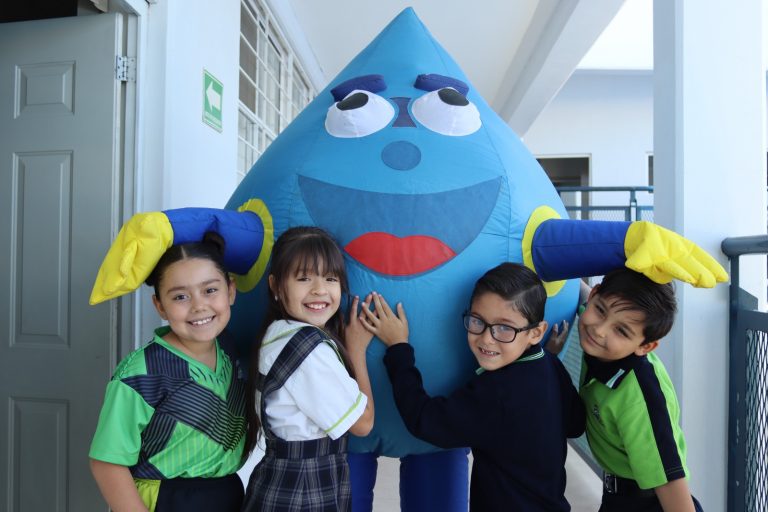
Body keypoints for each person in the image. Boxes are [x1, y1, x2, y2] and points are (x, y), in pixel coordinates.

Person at [360, 262, 585, 511]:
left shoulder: (496, 393)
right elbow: (575, 424)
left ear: (535, 332)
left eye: (504, 328)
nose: (487, 338)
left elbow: (424, 420)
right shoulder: (549, 366)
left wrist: (398, 347)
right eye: (477, 321)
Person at [89, 233, 246, 511]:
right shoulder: (141, 374)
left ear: (230, 291)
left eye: (210, 290)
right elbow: (107, 462)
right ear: (160, 305)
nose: (199, 306)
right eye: (180, 296)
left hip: (228, 494)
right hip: (164, 500)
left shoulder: (230, 349)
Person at [240, 226, 375, 511]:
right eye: (303, 278)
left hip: (279, 482)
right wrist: (358, 351)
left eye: (330, 278)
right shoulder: (310, 351)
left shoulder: (276, 332)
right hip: (304, 490)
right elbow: (363, 424)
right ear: (276, 286)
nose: (319, 290)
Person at [572, 268, 703, 511]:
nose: (599, 330)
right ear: (594, 296)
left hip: (649, 503)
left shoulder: (640, 396)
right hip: (617, 494)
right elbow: (582, 293)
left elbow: (670, 482)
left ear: (646, 346)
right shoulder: (599, 333)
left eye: (621, 331)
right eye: (600, 310)